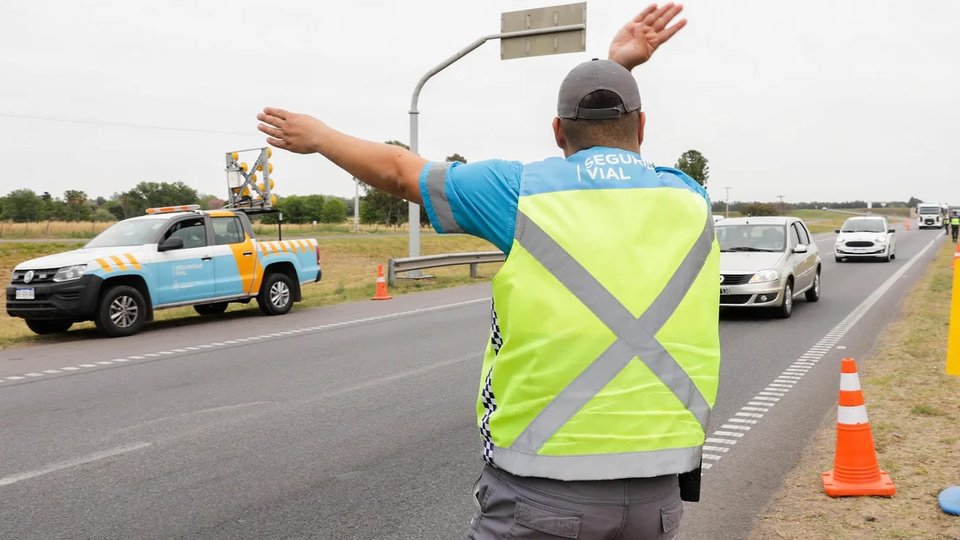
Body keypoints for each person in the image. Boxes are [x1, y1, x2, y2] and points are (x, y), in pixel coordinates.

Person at [256, 4, 719, 538]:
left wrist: (319, 137)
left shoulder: (519, 192)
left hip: (541, 492)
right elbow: (623, 167)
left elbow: (400, 172)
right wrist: (617, 70)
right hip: (657, 497)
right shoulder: (690, 196)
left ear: (556, 131)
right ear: (642, 124)